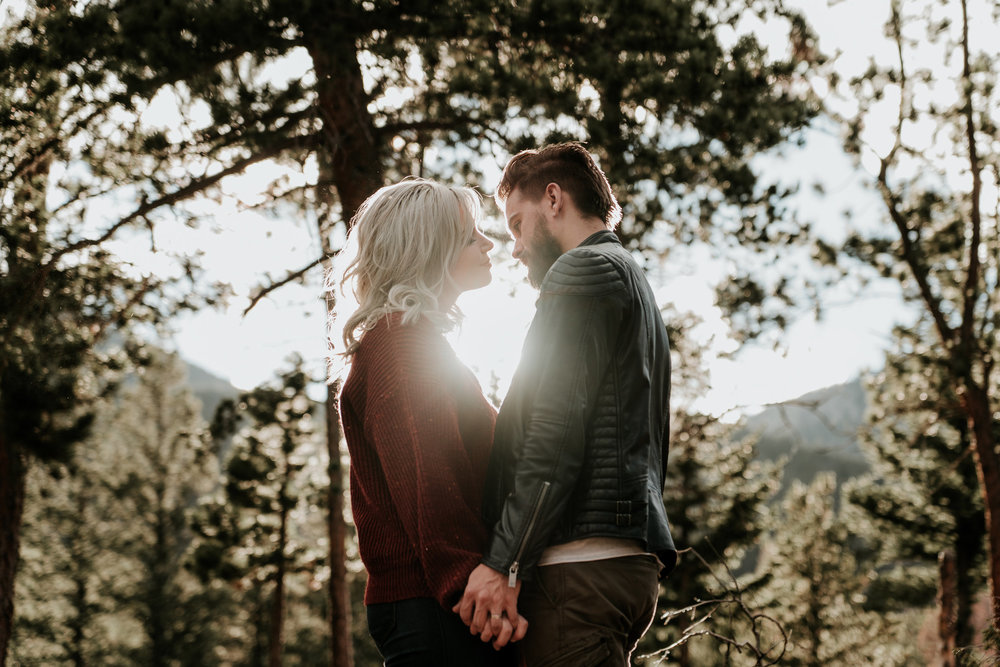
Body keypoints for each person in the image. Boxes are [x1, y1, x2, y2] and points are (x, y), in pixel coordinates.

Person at [454, 143, 677, 666]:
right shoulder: (631, 278)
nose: (513, 248)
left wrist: (505, 562)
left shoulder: (582, 273)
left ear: (553, 199)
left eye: (516, 225)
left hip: (577, 568)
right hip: (620, 564)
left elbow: (554, 436)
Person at [333, 178, 527, 666]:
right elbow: (427, 478)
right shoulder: (401, 344)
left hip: (436, 602)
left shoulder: (411, 339)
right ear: (429, 250)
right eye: (469, 237)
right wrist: (471, 588)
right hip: (438, 609)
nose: (488, 243)